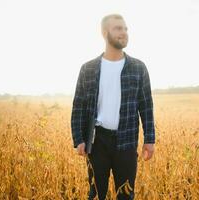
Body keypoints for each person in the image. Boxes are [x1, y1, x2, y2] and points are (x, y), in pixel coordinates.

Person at [71, 14, 155, 200]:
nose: (123, 32)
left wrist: (149, 139)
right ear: (104, 32)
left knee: (125, 195)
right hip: (97, 141)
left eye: (125, 29)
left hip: (126, 141)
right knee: (95, 195)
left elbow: (146, 105)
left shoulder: (138, 68)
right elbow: (79, 106)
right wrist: (79, 139)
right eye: (118, 28)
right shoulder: (88, 68)